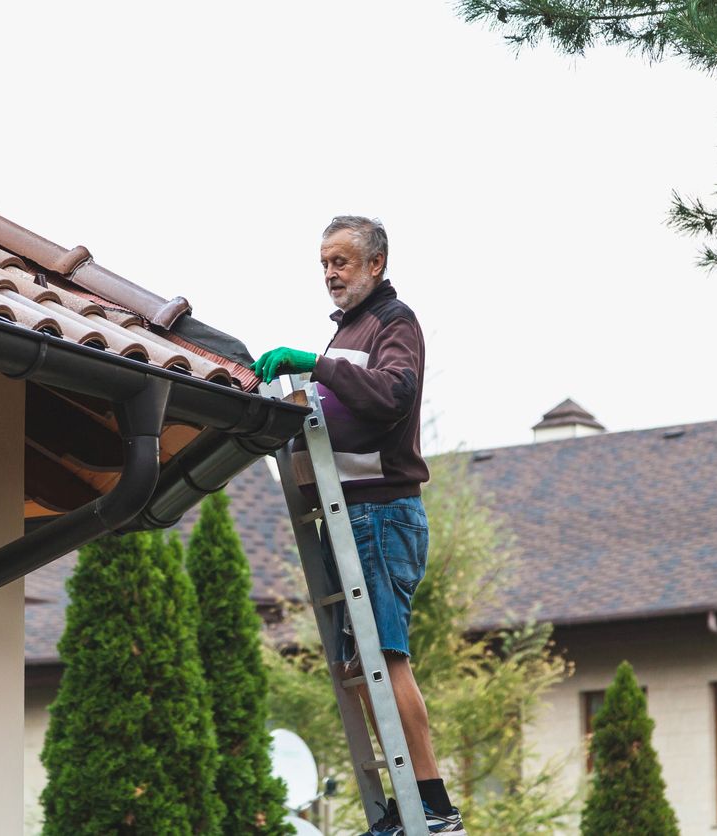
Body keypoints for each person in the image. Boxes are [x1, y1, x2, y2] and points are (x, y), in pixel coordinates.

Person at [253, 216, 464, 835]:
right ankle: (406, 801)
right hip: (354, 516)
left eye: (342, 261)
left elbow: (393, 393)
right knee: (363, 668)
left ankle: (433, 806)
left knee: (386, 661)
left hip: (380, 512)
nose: (330, 274)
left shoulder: (394, 323)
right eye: (323, 263)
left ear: (376, 264)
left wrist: (315, 368)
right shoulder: (348, 332)